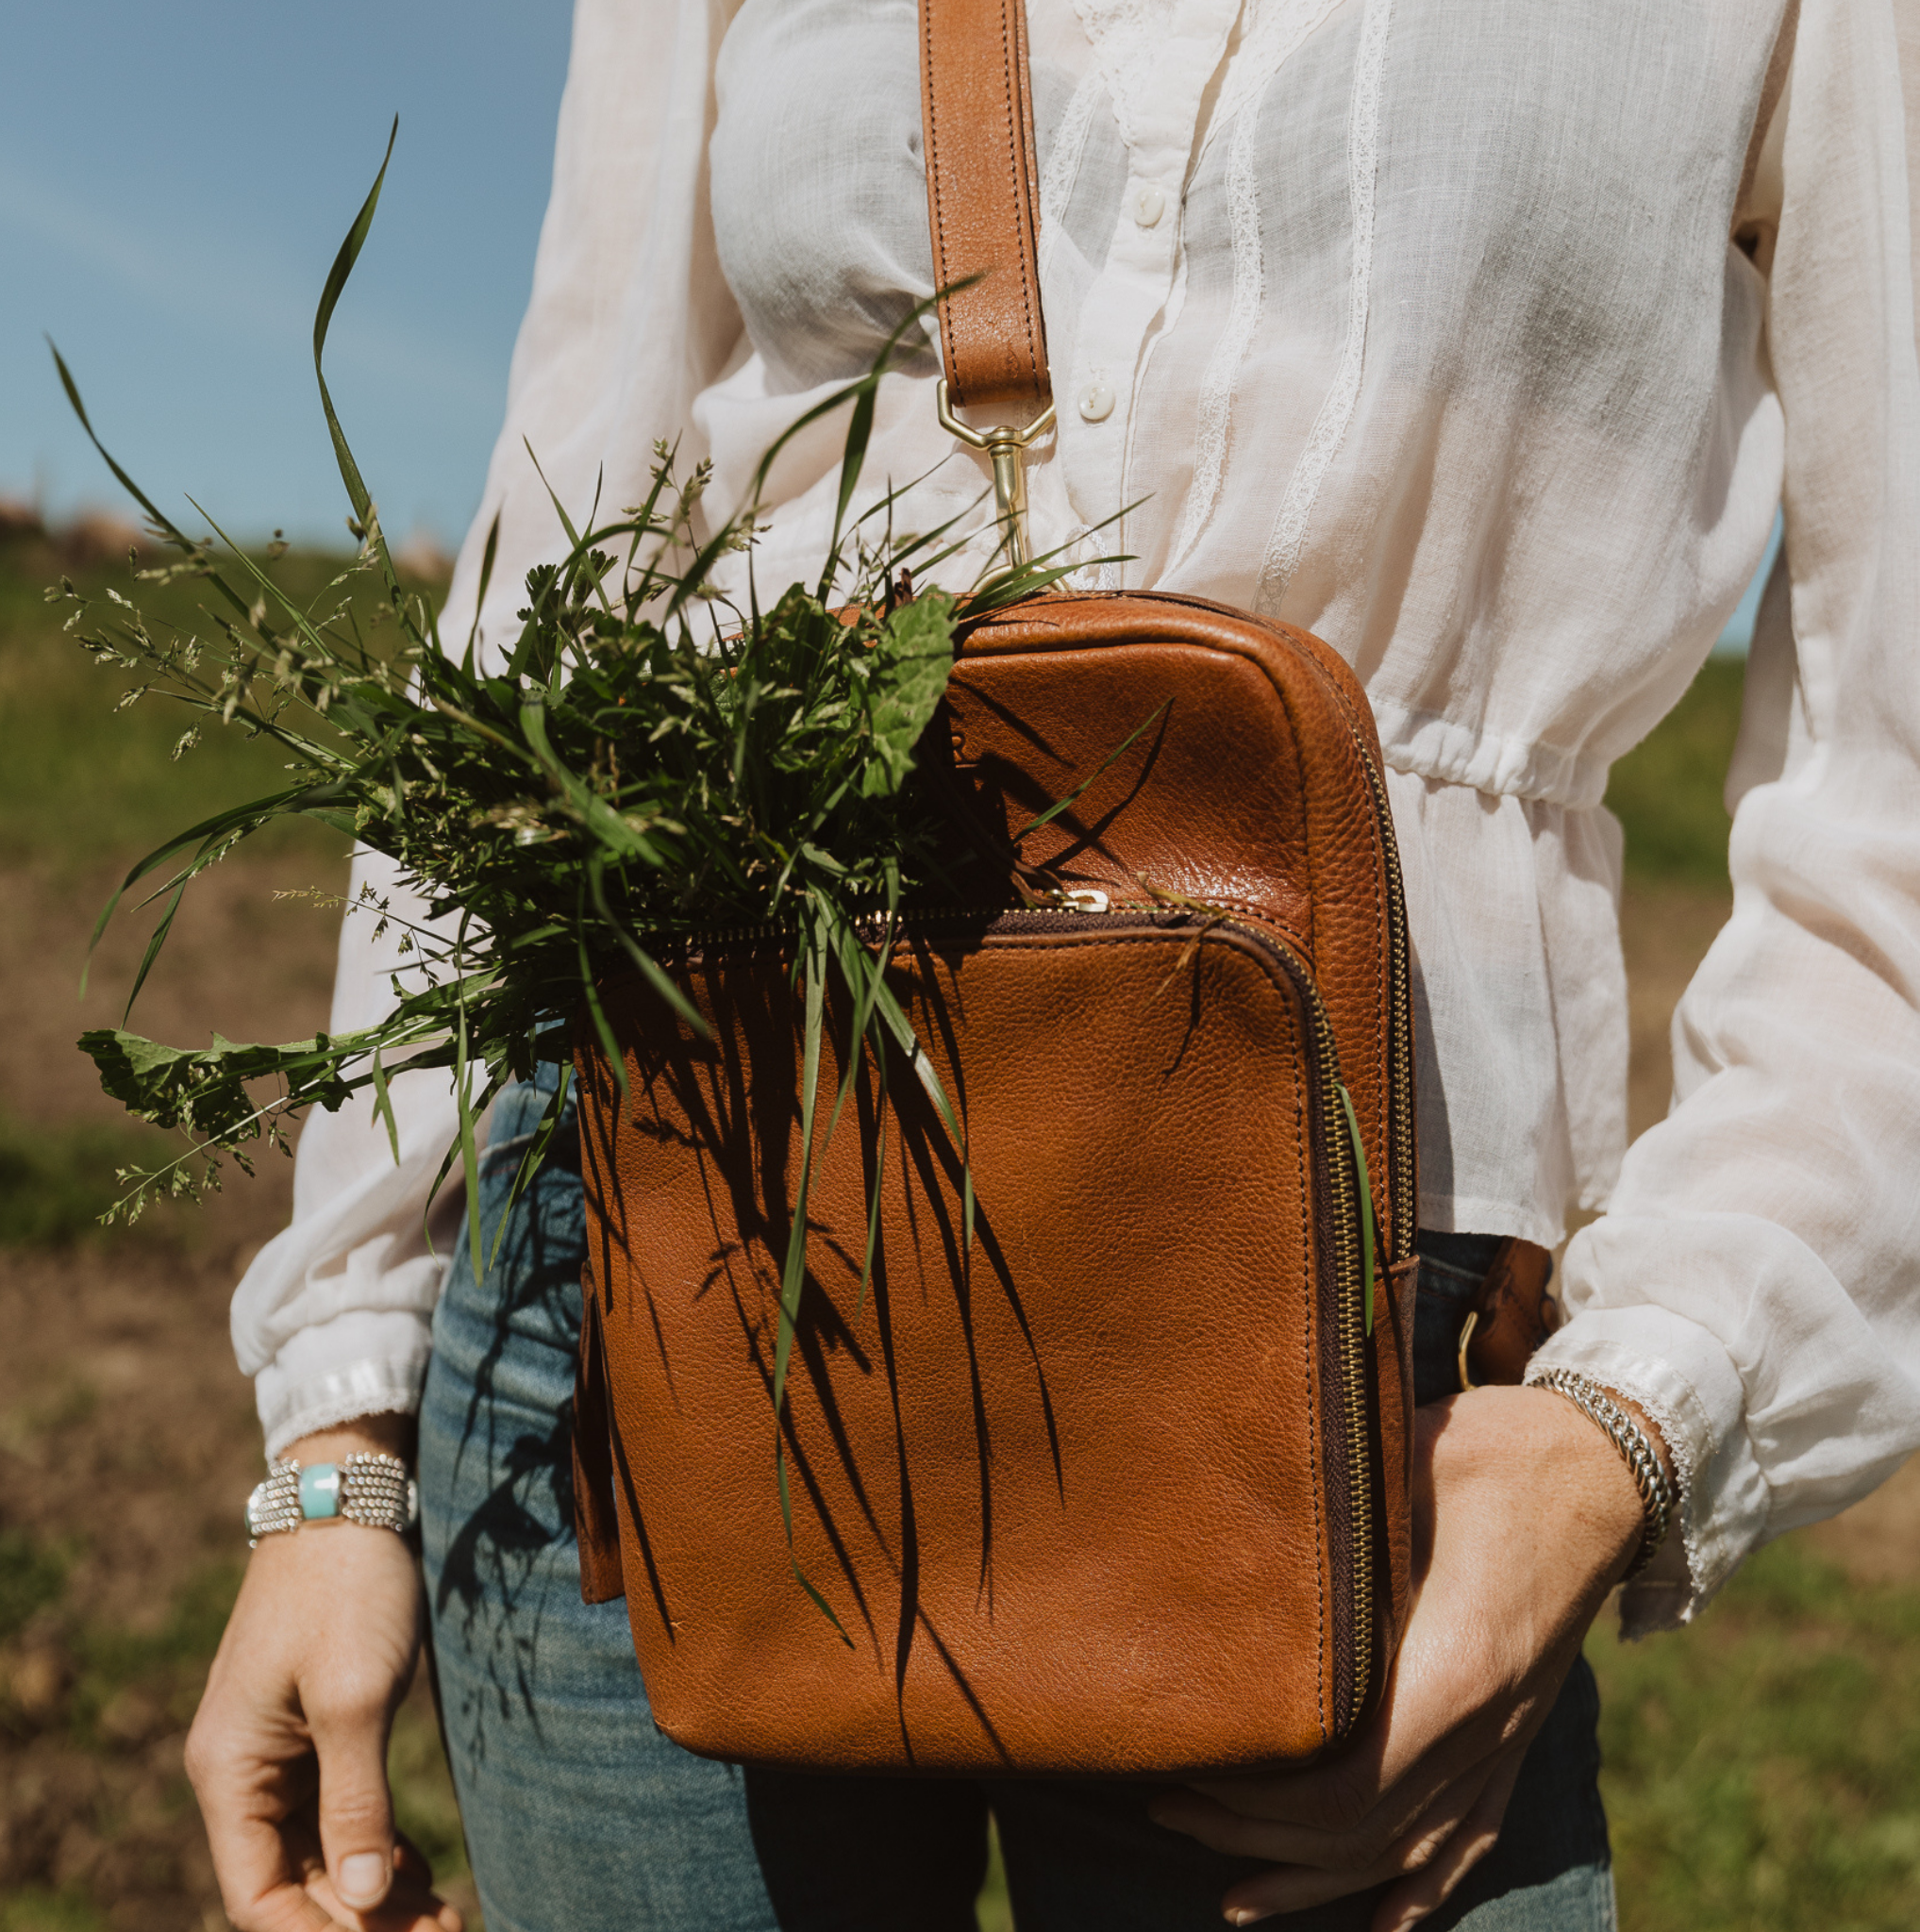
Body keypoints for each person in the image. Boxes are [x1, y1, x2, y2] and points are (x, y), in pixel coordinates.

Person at [182, 1, 1920, 1927]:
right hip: (661, 1254)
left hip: (1335, 1385)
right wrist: (339, 1430)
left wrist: (1630, 1428)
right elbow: (552, 586)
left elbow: (1894, 774)